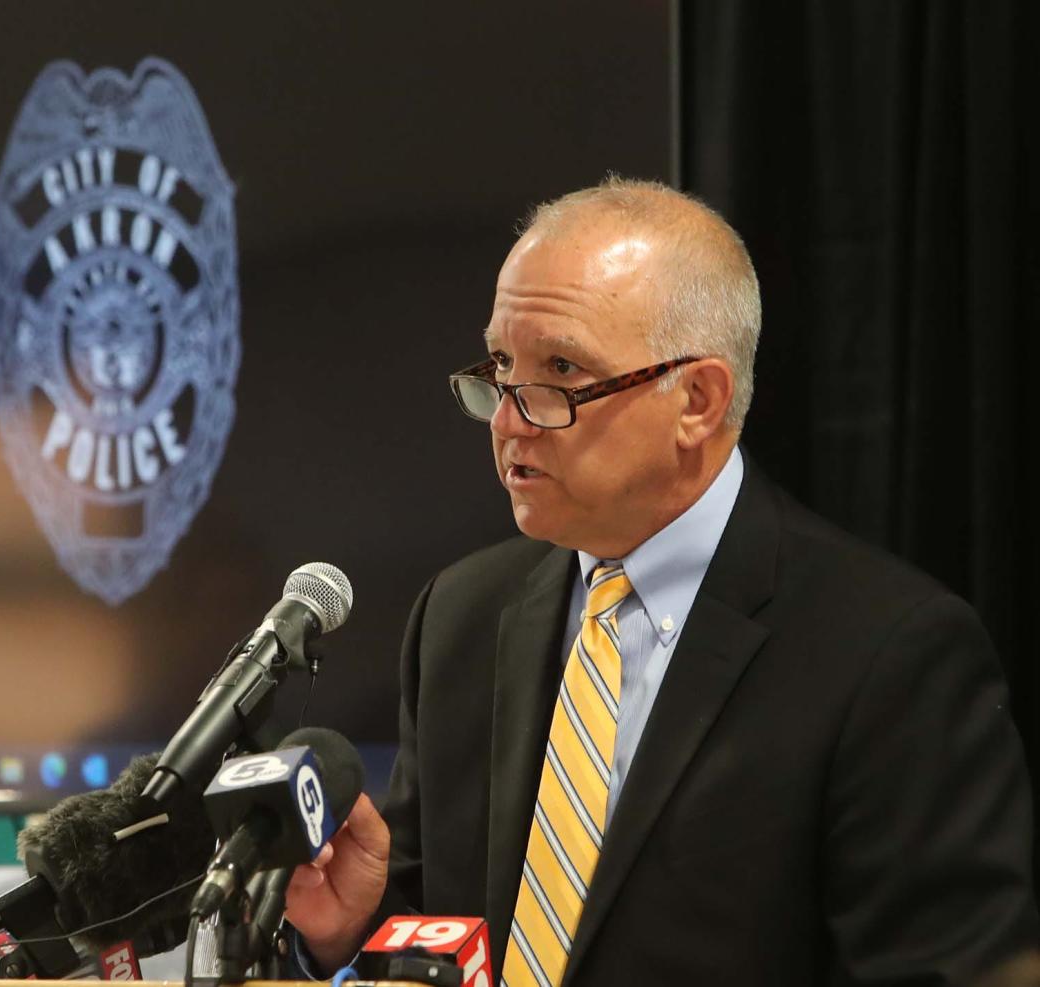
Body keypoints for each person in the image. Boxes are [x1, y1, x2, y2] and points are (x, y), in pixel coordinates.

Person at [284, 178, 1039, 985]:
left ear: (699, 401)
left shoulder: (889, 654)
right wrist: (352, 927)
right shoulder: (462, 616)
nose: (507, 418)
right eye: (501, 365)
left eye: (560, 369)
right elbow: (439, 930)